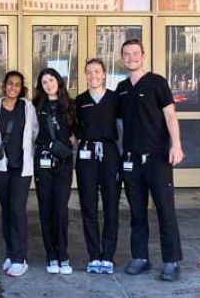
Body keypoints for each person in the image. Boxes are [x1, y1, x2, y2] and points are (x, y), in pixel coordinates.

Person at [117, 39, 184, 282]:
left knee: (165, 210)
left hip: (157, 158)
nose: (131, 57)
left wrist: (176, 145)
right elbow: (119, 124)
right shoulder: (122, 87)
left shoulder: (157, 82)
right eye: (127, 54)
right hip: (132, 161)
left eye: (135, 53)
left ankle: (171, 261)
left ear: (143, 55)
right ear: (122, 57)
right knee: (136, 211)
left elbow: (170, 115)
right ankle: (140, 258)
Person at [0, 71, 38, 277]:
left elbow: (35, 131)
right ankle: (10, 252)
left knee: (17, 209)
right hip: (1, 167)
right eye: (10, 84)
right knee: (7, 209)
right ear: (4, 85)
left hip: (22, 167)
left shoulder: (28, 107)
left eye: (17, 85)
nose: (13, 88)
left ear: (21, 88)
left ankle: (20, 257)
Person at [75, 59, 121, 275]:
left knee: (111, 205)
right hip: (86, 156)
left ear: (104, 74)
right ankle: (94, 255)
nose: (93, 75)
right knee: (88, 206)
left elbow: (125, 124)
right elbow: (73, 131)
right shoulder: (80, 100)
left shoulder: (115, 98)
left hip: (110, 154)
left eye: (97, 72)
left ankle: (108, 256)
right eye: (89, 72)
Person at [33, 68, 77, 275]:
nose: (48, 84)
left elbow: (79, 128)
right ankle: (50, 254)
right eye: (44, 82)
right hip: (43, 160)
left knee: (61, 208)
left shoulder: (70, 105)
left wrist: (75, 138)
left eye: (51, 80)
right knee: (45, 208)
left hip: (64, 161)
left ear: (58, 82)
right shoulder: (35, 106)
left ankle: (63, 254)